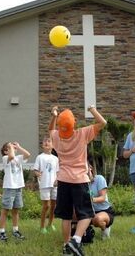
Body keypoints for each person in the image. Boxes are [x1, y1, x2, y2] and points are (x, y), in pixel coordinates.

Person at [49, 105, 107, 256]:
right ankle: (76, 240)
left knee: (66, 216)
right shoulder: (82, 134)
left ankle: (66, 245)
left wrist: (54, 116)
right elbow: (103, 123)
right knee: (86, 214)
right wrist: (92, 110)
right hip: (79, 180)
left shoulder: (56, 137)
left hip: (63, 180)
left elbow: (50, 130)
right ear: (74, 123)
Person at [0, 141, 31, 241]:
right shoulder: (5, 158)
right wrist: (11, 147)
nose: (13, 148)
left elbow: (28, 154)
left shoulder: (18, 158)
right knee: (5, 210)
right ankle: (2, 232)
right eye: (10, 147)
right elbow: (11, 156)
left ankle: (15, 230)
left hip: (18, 187)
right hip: (9, 187)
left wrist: (19, 147)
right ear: (5, 151)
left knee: (16, 210)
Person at [33, 136, 59, 234]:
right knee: (46, 206)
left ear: (53, 145)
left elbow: (58, 171)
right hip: (44, 184)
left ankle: (50, 224)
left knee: (53, 205)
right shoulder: (40, 157)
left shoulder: (55, 158)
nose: (46, 143)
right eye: (44, 141)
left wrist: (57, 180)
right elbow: (35, 170)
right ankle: (42, 226)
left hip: (54, 185)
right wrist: (38, 173)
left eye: (49, 141)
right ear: (42, 145)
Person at [88, 164, 115, 240]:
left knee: (97, 219)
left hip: (105, 210)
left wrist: (91, 199)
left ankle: (105, 227)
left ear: (90, 168)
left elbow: (102, 198)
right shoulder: (83, 183)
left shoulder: (99, 178)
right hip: (90, 211)